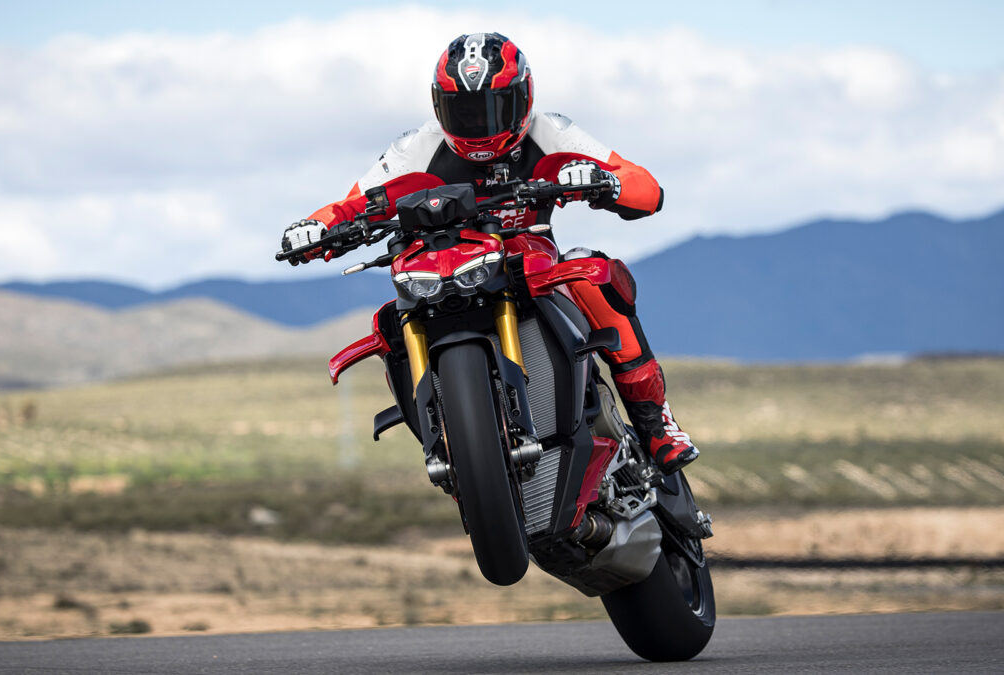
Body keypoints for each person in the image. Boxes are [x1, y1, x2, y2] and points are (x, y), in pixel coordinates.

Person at [282, 33, 698, 474]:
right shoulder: (417, 148)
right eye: (464, 112)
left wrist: (605, 181)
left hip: (531, 261)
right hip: (445, 268)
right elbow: (351, 204)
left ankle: (656, 424)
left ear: (523, 98)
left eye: (493, 108)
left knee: (591, 273)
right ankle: (449, 442)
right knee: (391, 318)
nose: (479, 123)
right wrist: (316, 228)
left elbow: (643, 186)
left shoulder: (551, 131)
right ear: (440, 107)